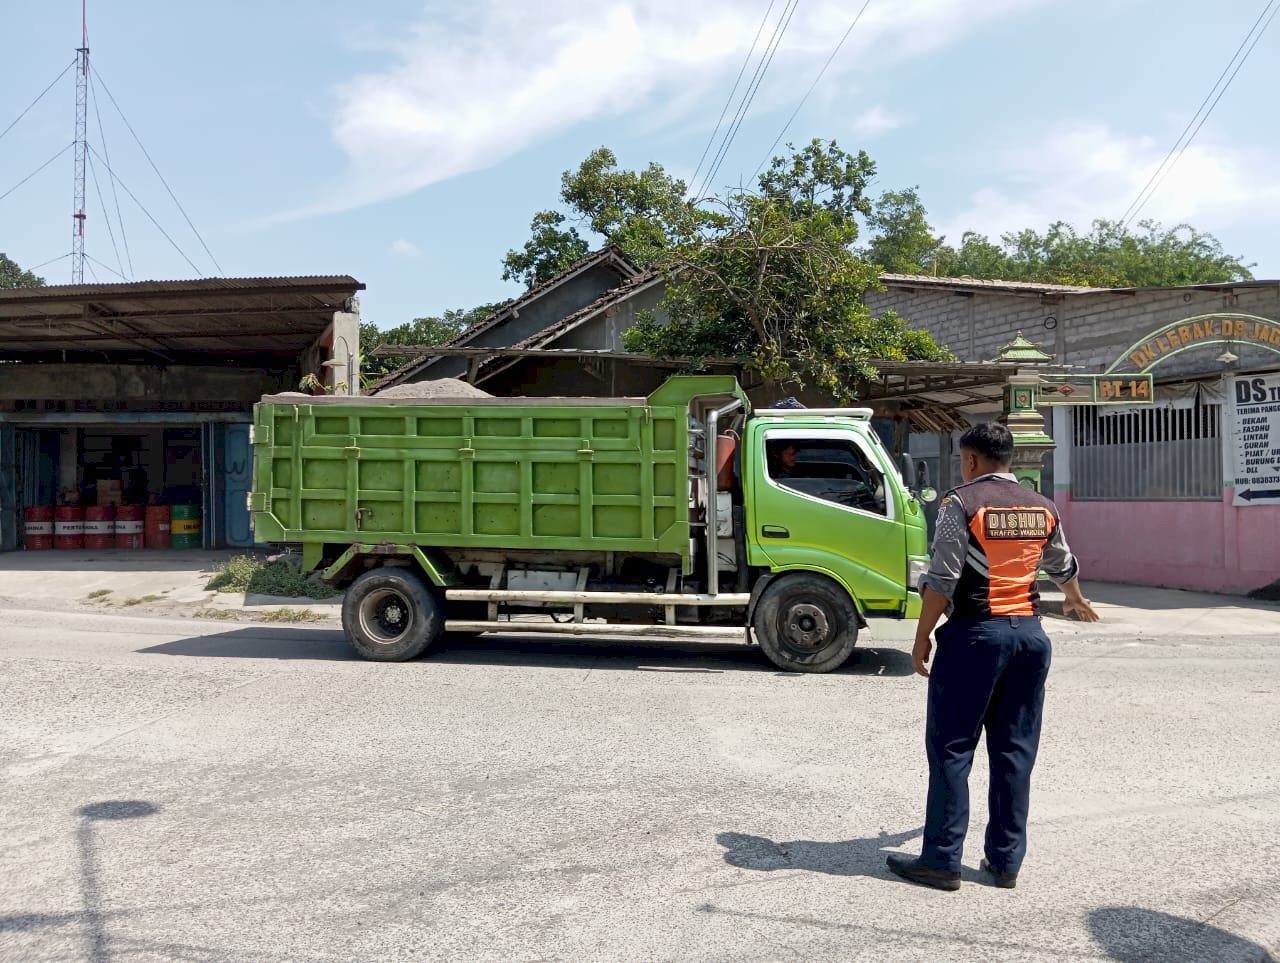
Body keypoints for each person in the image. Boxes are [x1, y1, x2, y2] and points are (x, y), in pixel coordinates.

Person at [886, 422, 1099, 892]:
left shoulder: (959, 503)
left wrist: (922, 636)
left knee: (952, 750)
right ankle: (1005, 863)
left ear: (971, 460)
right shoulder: (1043, 507)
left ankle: (941, 861)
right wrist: (1076, 599)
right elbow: (1062, 563)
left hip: (975, 637)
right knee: (1014, 753)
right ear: (1012, 460)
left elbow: (941, 578)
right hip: (1030, 636)